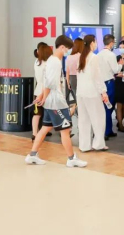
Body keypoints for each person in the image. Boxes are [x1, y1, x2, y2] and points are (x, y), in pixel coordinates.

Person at [25, 35, 87, 167]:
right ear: (62, 47)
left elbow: (46, 82)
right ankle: (71, 158)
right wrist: (43, 97)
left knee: (45, 128)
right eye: (68, 49)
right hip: (56, 102)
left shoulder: (52, 60)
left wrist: (42, 96)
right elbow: (49, 83)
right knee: (65, 129)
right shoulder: (55, 62)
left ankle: (32, 155)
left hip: (51, 101)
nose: (68, 51)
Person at [76, 35, 108, 152]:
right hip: (92, 92)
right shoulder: (94, 57)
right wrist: (103, 92)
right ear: (92, 43)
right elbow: (97, 77)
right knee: (98, 118)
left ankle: (84, 146)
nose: (96, 44)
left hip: (81, 92)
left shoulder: (81, 57)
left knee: (83, 120)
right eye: (95, 42)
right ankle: (98, 144)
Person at [99, 34, 122, 140]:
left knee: (103, 107)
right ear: (111, 43)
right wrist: (120, 64)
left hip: (101, 83)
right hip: (109, 83)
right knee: (109, 107)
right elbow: (115, 70)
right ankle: (107, 131)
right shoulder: (111, 55)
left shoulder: (98, 54)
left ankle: (107, 130)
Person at [32, 43, 52, 140]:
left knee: (37, 113)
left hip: (37, 90)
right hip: (46, 91)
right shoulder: (48, 64)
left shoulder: (36, 62)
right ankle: (44, 131)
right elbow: (48, 80)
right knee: (49, 112)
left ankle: (35, 133)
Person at [65, 38, 83, 117]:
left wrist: (68, 82)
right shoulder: (81, 56)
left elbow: (67, 71)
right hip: (79, 78)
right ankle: (78, 113)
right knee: (80, 98)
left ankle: (74, 112)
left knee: (76, 97)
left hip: (71, 79)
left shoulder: (69, 57)